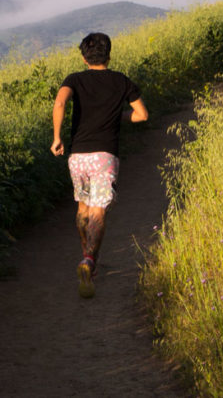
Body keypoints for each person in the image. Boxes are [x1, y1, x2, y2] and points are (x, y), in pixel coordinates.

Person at [51, 32, 148, 298]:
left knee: (83, 206)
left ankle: (87, 255)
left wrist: (57, 137)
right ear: (109, 55)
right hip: (105, 156)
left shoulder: (74, 79)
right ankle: (89, 261)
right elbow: (142, 115)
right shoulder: (121, 81)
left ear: (84, 57)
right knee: (99, 210)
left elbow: (60, 102)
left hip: (78, 156)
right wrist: (119, 117)